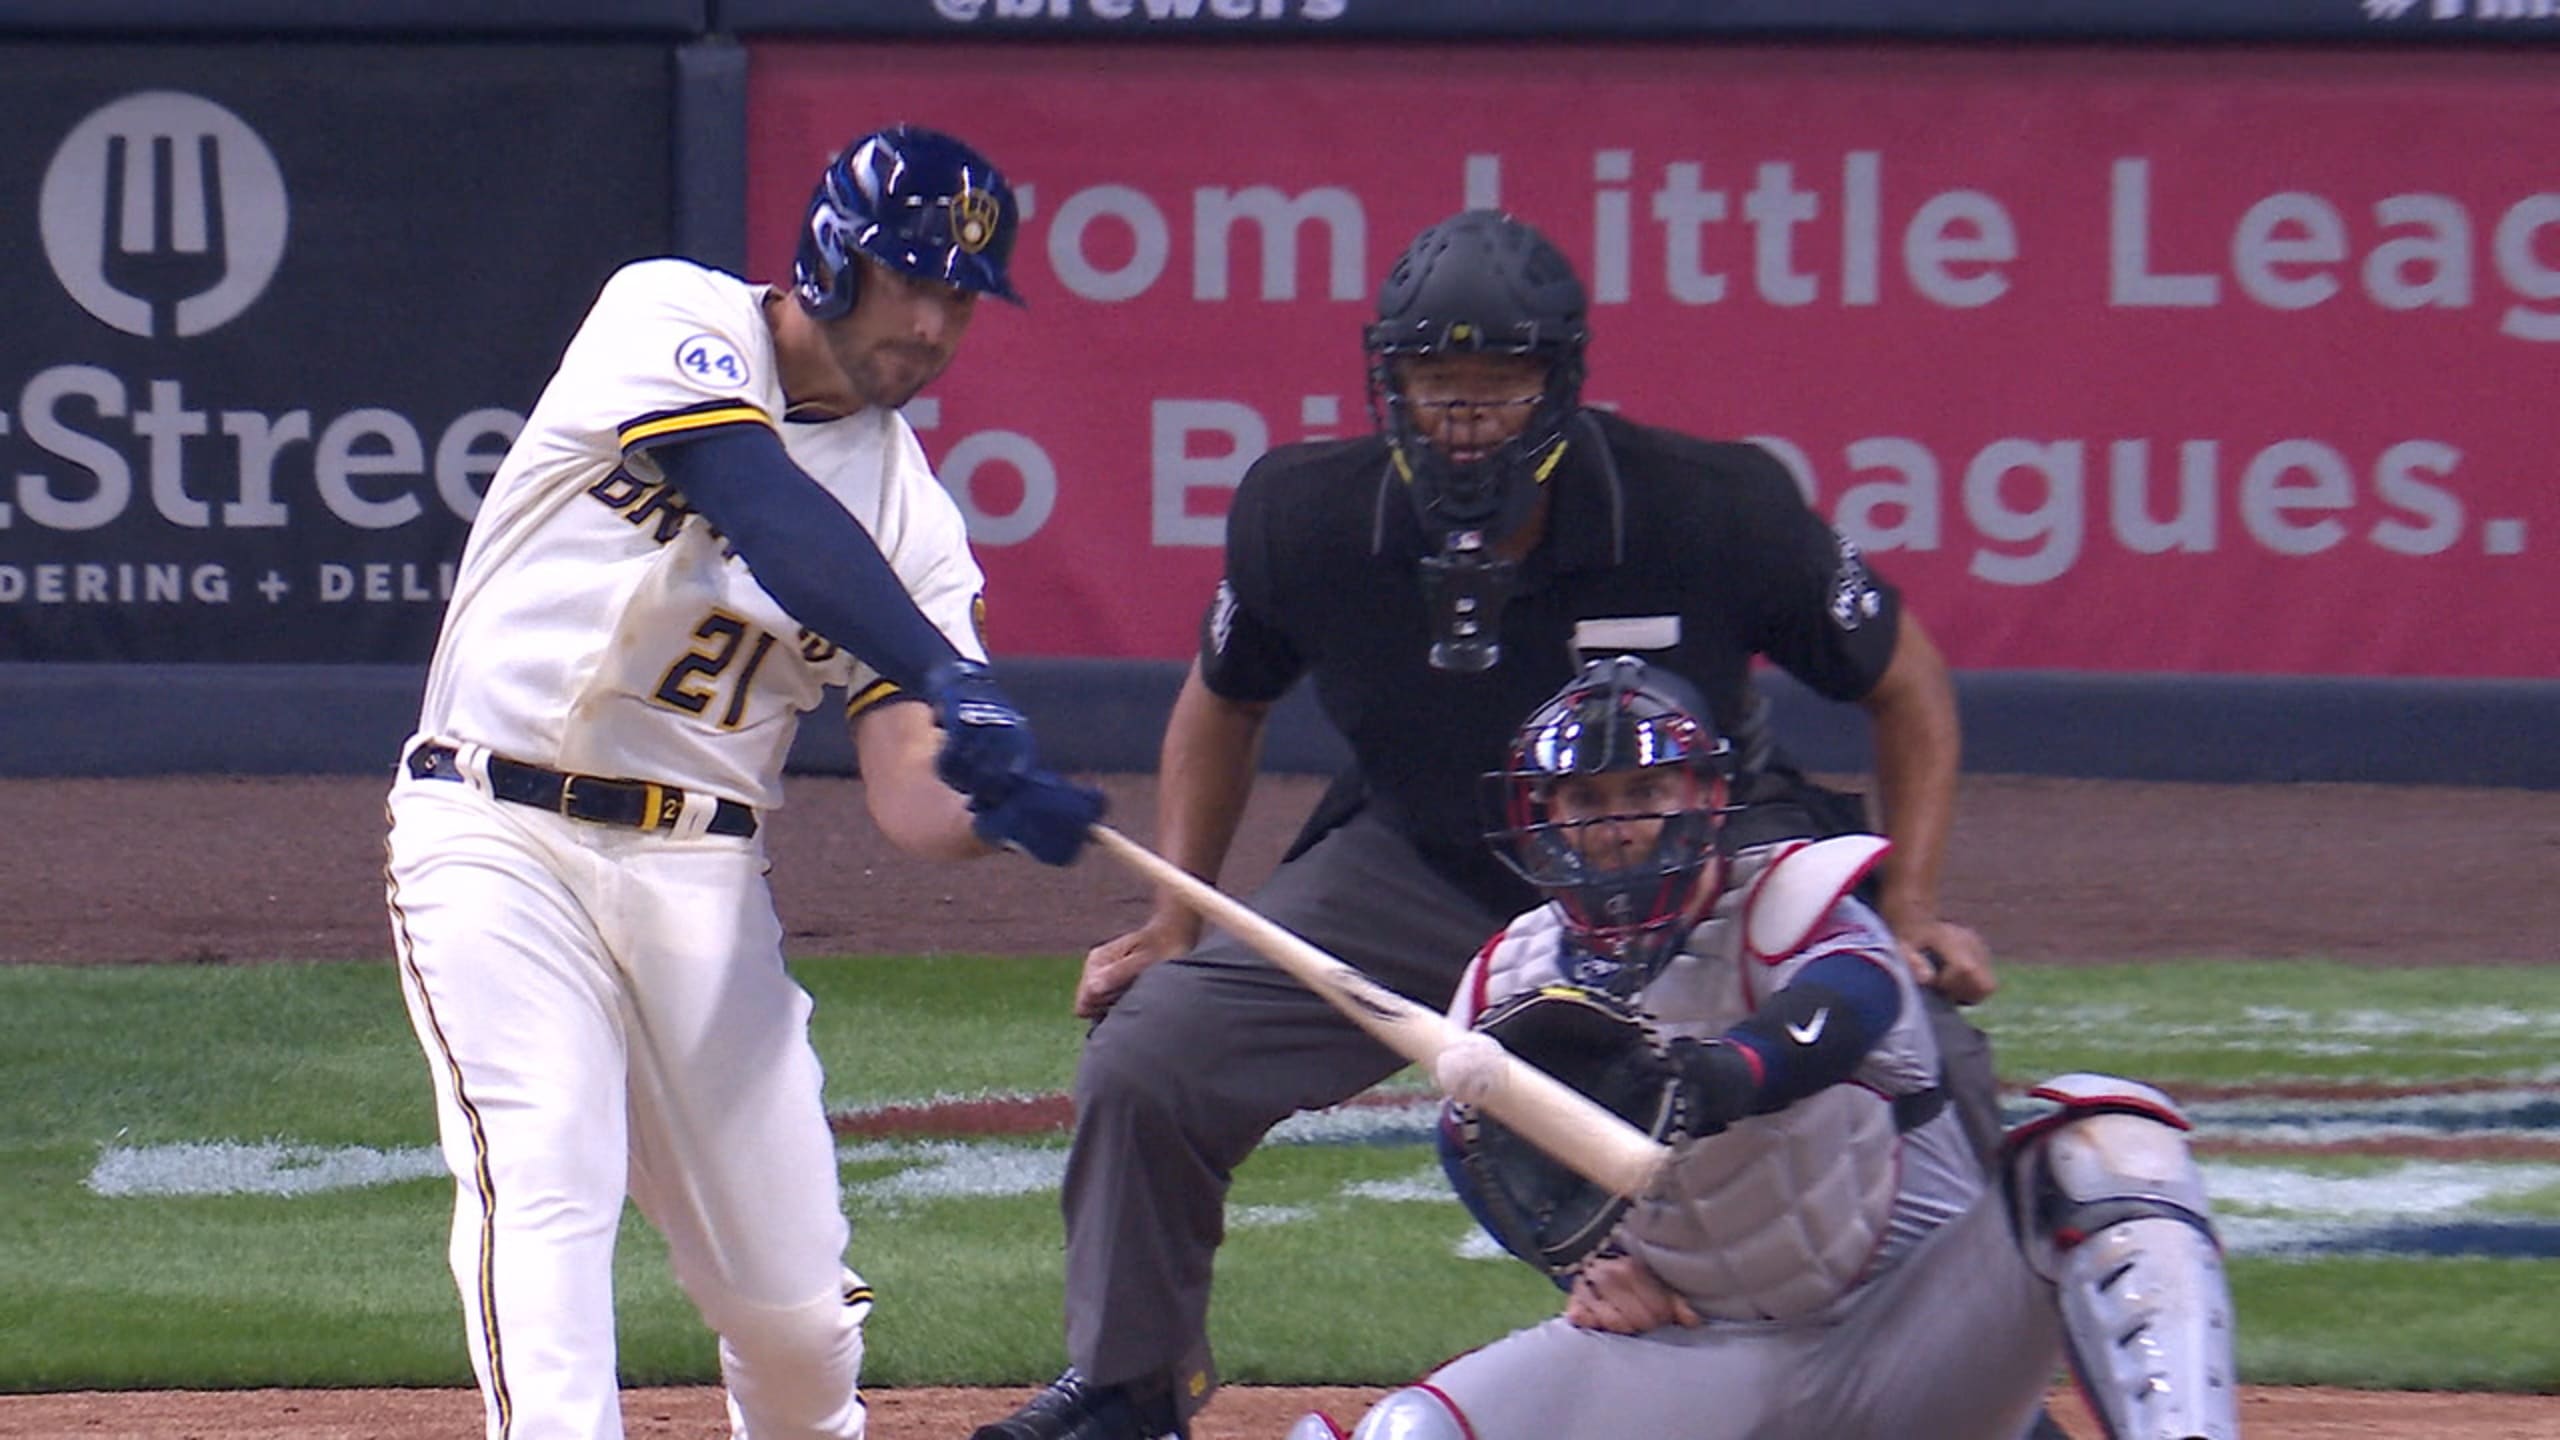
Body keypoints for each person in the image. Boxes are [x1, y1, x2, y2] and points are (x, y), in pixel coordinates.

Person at [975, 208, 2009, 1440]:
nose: (1464, 414)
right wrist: (1171, 917)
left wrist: (1916, 900)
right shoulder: (1299, 516)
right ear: (1385, 385)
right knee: (1152, 1052)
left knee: (1920, 1041)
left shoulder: (1711, 504)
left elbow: (1905, 681)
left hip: (1693, 869)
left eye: (1499, 384)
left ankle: (1976, 1380)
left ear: (1559, 384)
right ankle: (1128, 1386)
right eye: (1433, 383)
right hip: (1423, 858)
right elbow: (1221, 702)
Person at [382, 124, 1103, 1440]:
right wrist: (951, 673)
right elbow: (762, 502)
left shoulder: (913, 523)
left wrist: (991, 800)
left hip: (699, 878)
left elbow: (907, 793)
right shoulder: (671, 312)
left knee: (795, 1319)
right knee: (547, 1174)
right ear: (836, 260)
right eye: (917, 282)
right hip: (491, 830)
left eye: (962, 300)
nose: (939, 325)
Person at [1284, 655, 2239, 1440]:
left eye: (1645, 790)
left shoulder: (1795, 902)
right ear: (1546, 818)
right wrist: (1582, 1269)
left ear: (1703, 794)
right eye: (1587, 798)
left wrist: (1718, 1076)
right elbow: (1476, 1147)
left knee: (2108, 1146)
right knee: (1406, 1434)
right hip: (1706, 1367)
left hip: (1912, 1357)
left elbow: (1851, 1003)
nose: (1618, 826)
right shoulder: (1507, 980)